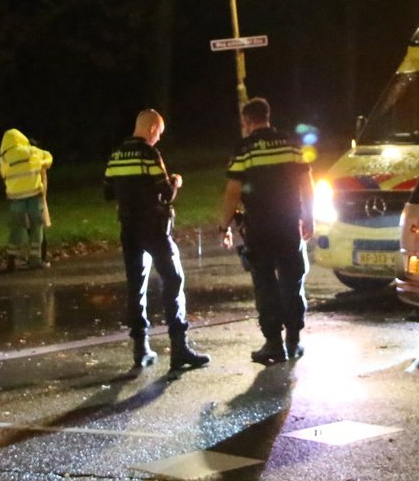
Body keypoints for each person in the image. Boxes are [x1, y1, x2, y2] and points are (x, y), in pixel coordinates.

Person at [103, 109, 209, 372]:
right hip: (154, 228)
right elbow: (165, 193)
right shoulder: (150, 154)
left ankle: (140, 349)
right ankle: (179, 347)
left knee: (135, 286)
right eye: (159, 133)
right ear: (151, 128)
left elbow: (107, 192)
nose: (159, 139)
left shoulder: (116, 154)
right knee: (173, 280)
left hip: (128, 229)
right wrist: (175, 182)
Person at [217, 97, 314, 364]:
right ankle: (293, 340)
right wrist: (309, 216)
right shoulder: (291, 144)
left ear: (247, 121)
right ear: (268, 117)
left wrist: (223, 225)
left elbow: (232, 192)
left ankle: (273, 343)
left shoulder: (244, 149)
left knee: (265, 284)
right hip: (288, 225)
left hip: (259, 228)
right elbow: (307, 183)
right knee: (292, 279)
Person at [0, 128, 53, 271]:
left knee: (16, 228)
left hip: (15, 198)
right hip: (34, 195)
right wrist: (43, 164)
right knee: (36, 227)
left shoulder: (3, 158)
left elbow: (3, 174)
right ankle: (36, 259)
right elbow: (48, 157)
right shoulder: (32, 151)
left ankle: (11, 259)